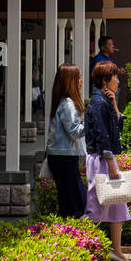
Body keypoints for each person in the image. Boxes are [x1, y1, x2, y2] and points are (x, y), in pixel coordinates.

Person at [84, 61, 131, 261]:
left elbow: (116, 127)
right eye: (115, 78)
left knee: (117, 206)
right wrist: (111, 162)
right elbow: (102, 135)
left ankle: (117, 251)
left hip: (107, 157)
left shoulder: (104, 101)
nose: (118, 82)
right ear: (105, 80)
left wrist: (114, 106)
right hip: (101, 159)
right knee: (96, 206)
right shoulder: (97, 103)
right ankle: (79, 247)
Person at [46, 64, 87, 217]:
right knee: (74, 202)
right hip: (64, 157)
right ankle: (72, 233)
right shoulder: (69, 104)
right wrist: (91, 123)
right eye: (79, 78)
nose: (81, 81)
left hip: (60, 156)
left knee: (69, 199)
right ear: (71, 81)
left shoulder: (63, 102)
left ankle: (69, 232)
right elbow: (74, 132)